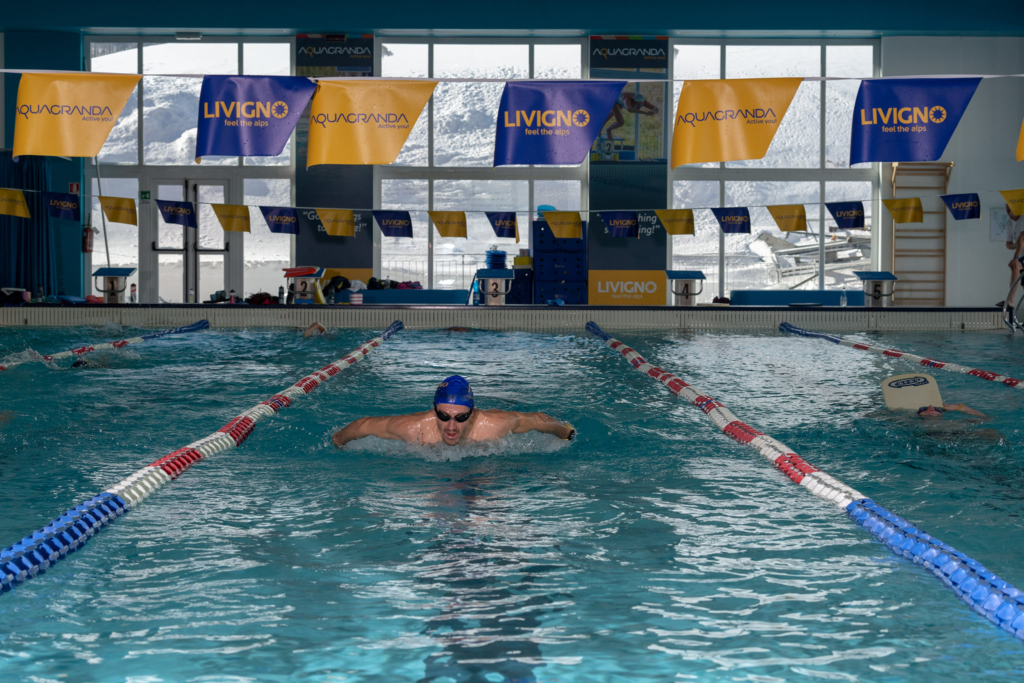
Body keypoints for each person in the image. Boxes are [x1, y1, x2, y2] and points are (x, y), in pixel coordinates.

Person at [332, 375, 574, 448]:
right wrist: (338, 442)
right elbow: (364, 425)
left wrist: (566, 432)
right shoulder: (413, 428)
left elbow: (537, 420)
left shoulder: (494, 424)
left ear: (472, 413)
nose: (451, 426)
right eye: (443, 416)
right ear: (434, 410)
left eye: (461, 418)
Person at [997, 203, 1024, 307]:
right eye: (1007, 211)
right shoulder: (1009, 222)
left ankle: (1010, 300)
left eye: (1012, 210)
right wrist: (1014, 245)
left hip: (1021, 256)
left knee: (1015, 266)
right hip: (1021, 256)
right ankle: (1010, 301)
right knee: (1016, 268)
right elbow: (1008, 244)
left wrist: (1016, 257)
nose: (1010, 213)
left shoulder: (1023, 217)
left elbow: (1022, 238)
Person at [916, 403, 987, 420]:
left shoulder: (955, 423)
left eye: (936, 408)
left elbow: (984, 418)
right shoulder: (913, 423)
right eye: (924, 409)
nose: (931, 407)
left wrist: (958, 407)